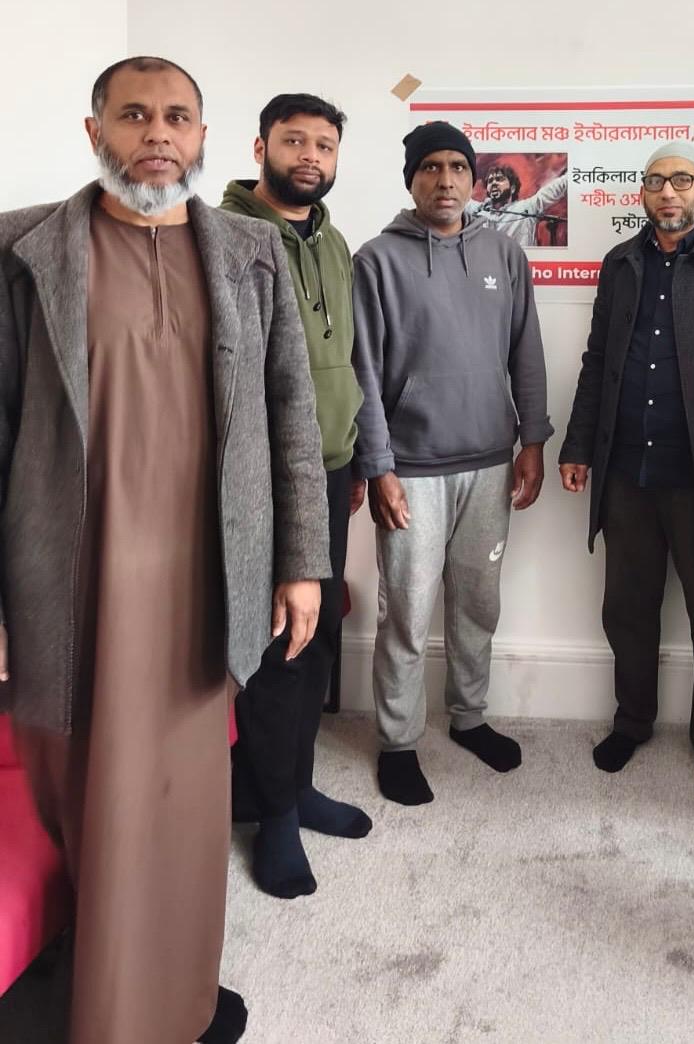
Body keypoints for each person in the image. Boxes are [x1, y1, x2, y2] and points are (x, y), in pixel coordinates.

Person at [0, 56, 329, 1044]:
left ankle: (176, 1005)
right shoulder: (21, 250)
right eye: (134, 114)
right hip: (66, 581)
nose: (157, 133)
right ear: (94, 131)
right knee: (83, 797)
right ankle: (95, 1004)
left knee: (184, 805)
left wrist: (301, 562)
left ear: (203, 138)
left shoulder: (251, 253)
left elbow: (292, 416)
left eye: (177, 117)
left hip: (204, 581)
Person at [558, 141, 694, 795]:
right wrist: (578, 445)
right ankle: (632, 721)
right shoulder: (620, 263)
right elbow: (599, 360)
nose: (668, 192)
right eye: (655, 181)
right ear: (642, 194)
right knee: (626, 608)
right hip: (627, 470)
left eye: (682, 179)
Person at [352, 121, 553, 806]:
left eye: (457, 168)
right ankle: (398, 741)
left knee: (478, 602)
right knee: (406, 611)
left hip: (491, 462)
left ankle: (469, 716)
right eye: (431, 167)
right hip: (410, 468)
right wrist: (378, 466)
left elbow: (526, 351)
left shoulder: (503, 253)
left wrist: (533, 441)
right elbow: (363, 371)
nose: (445, 180)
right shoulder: (377, 260)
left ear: (473, 178)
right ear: (411, 179)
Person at [220, 92, 372, 900]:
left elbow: (349, 359)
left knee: (317, 641)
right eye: (294, 140)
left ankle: (292, 784)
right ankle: (274, 814)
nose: (311, 156)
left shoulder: (334, 240)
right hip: (264, 476)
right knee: (281, 645)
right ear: (260, 147)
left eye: (324, 144)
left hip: (330, 468)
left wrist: (356, 454)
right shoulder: (227, 238)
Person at [465, 160, 568, 246]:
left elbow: (557, 187)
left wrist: (573, 172)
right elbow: (459, 198)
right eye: (490, 181)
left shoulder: (526, 208)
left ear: (513, 188)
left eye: (499, 179)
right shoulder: (478, 211)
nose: (494, 183)